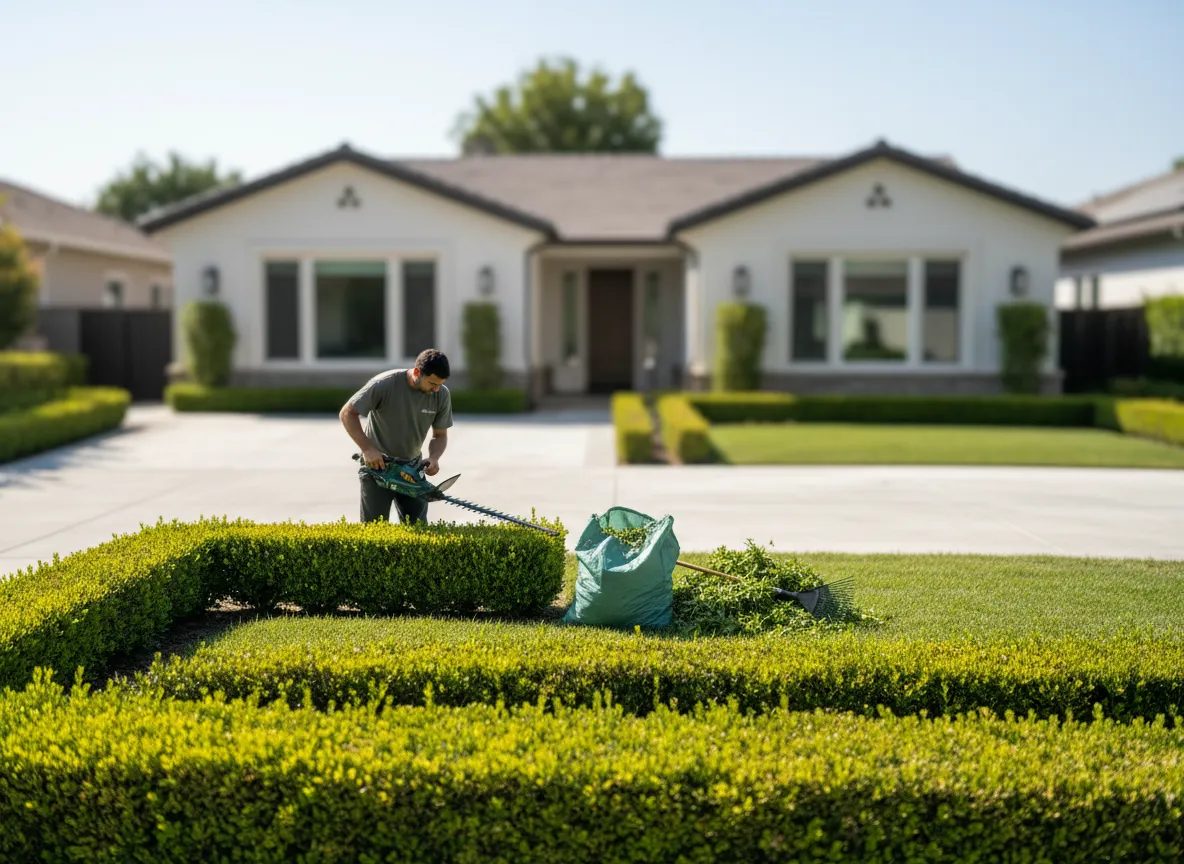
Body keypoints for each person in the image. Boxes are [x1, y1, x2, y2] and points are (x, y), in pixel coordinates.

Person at [339, 348, 453, 524]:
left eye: (440, 384)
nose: (436, 389)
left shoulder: (441, 394)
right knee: (373, 532)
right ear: (417, 372)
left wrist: (434, 457)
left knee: (419, 532)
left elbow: (440, 435)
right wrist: (368, 449)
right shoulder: (384, 384)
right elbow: (347, 413)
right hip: (378, 469)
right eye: (432, 383)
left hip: (413, 471)